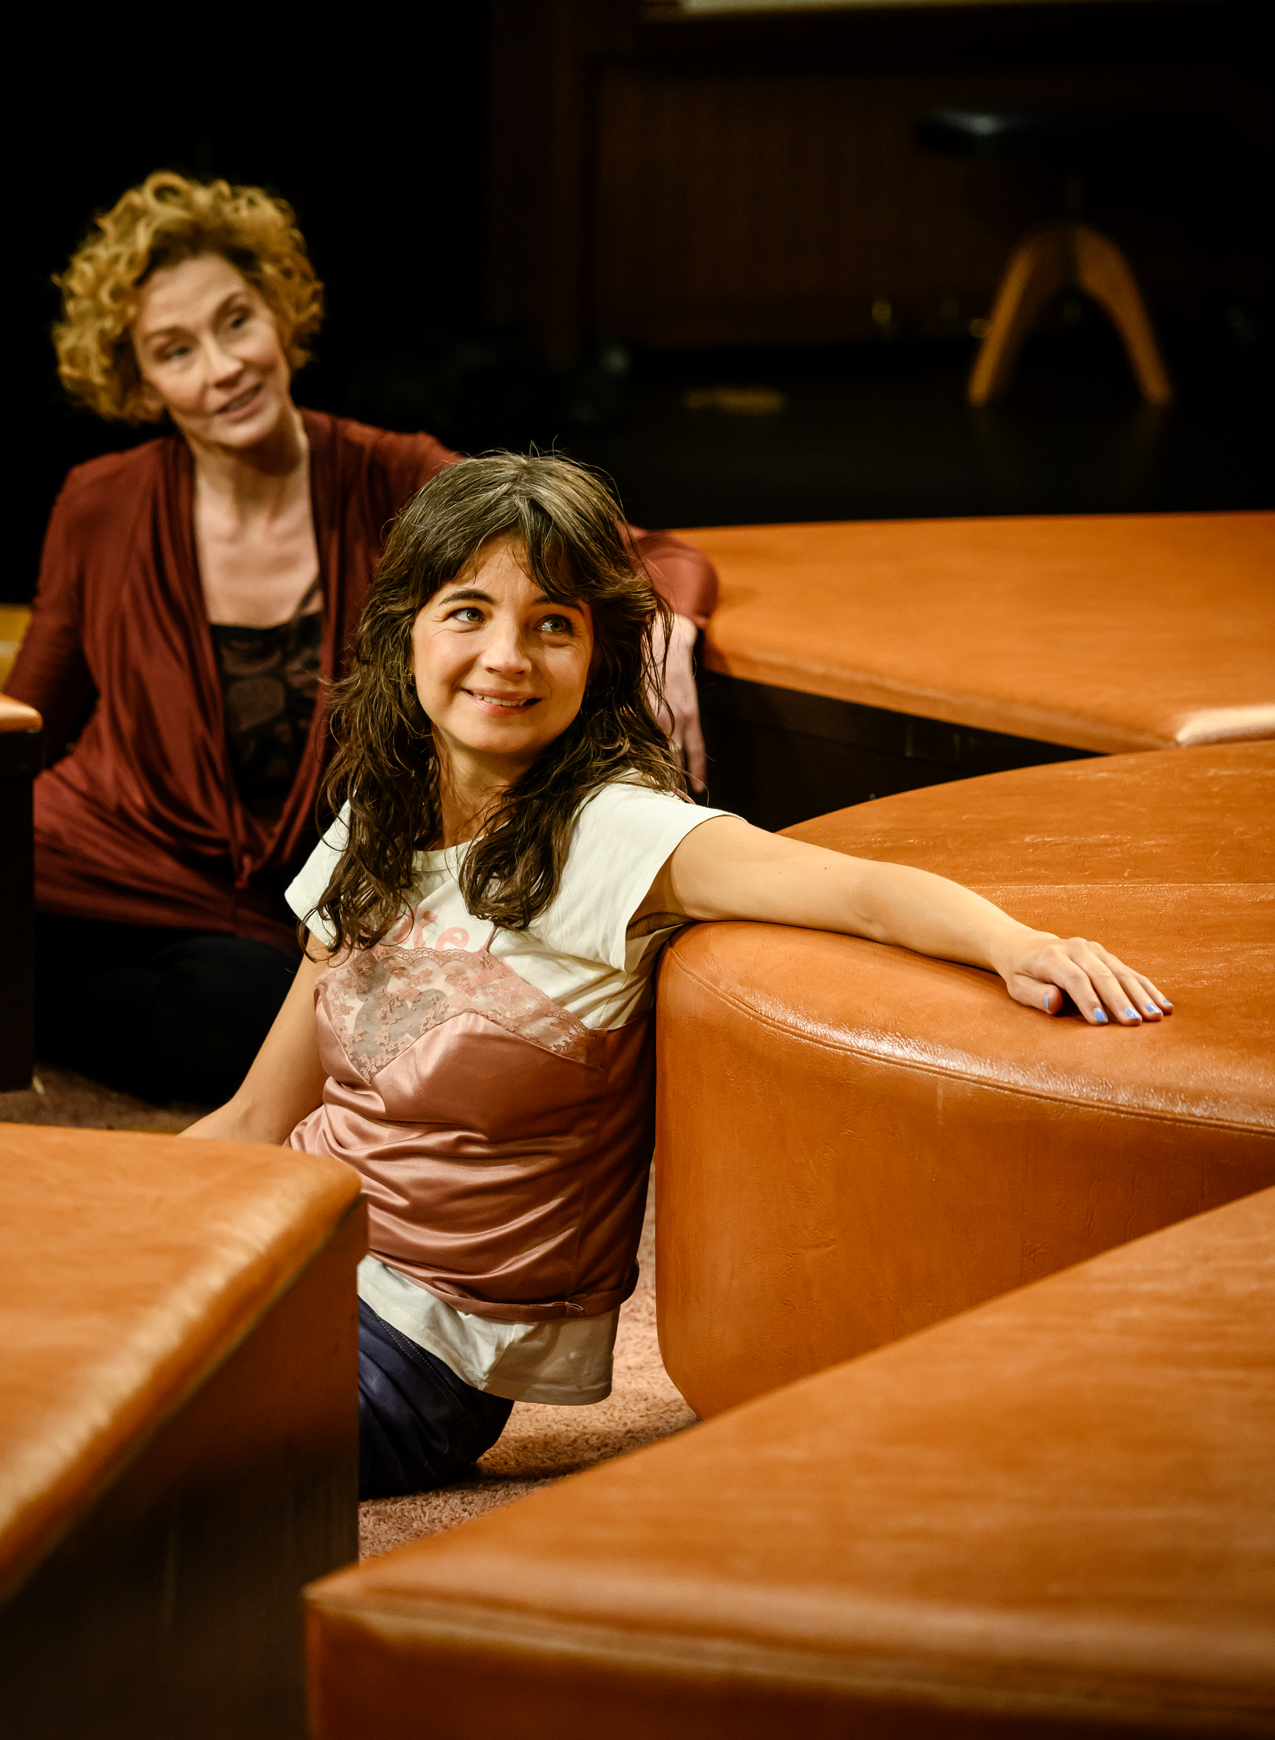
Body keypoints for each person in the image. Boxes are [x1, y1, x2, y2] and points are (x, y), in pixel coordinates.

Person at [184, 450, 1172, 1499]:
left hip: (424, 1351)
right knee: (34, 1345)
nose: (505, 656)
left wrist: (1021, 945)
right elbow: (256, 1116)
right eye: (467, 611)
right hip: (287, 1251)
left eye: (552, 623)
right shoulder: (377, 814)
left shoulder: (618, 834)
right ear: (405, 635)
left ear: (600, 656)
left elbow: (864, 892)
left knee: (142, 1449)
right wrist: (111, 1229)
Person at [4, 172, 716, 1106]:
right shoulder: (100, 503)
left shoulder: (391, 476)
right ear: (139, 381)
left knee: (261, 1013)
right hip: (107, 861)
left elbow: (641, 551)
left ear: (280, 316)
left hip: (284, 904)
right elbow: (27, 718)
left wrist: (667, 629)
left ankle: (43, 1008)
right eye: (175, 351)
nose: (221, 368)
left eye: (235, 322)